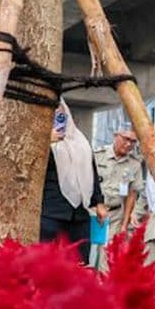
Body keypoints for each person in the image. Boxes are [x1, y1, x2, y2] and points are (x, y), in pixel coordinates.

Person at [40, 101, 107, 264]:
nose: (59, 120)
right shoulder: (38, 141)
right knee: (48, 264)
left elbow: (92, 172)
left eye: (62, 116)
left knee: (79, 263)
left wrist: (99, 203)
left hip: (79, 213)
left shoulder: (81, 143)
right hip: (50, 213)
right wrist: (43, 142)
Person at [92, 127, 144, 270]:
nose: (129, 144)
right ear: (116, 136)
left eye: (133, 142)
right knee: (88, 255)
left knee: (107, 257)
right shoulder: (97, 156)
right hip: (92, 212)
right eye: (126, 139)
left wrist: (124, 224)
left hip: (115, 216)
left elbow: (131, 195)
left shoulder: (135, 164)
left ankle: (102, 289)